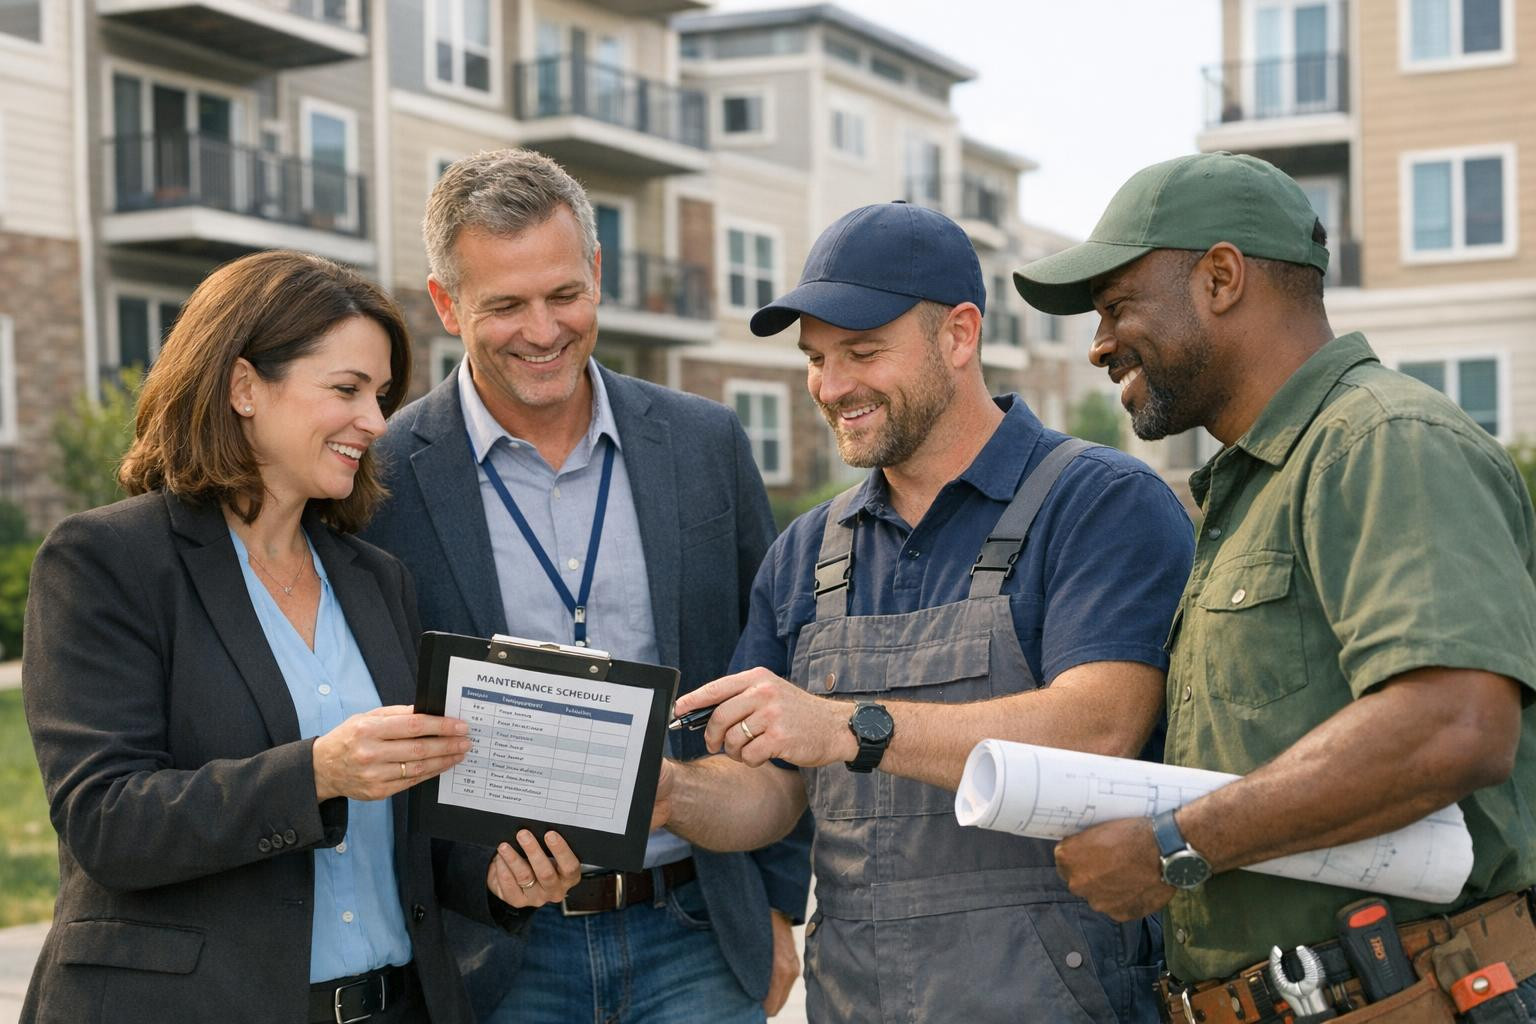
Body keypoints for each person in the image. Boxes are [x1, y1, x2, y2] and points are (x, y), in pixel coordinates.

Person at [1013, 152, 1536, 1023]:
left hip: (1411, 994)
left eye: (1116, 306)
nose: (1100, 344)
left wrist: (1174, 846)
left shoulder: (1383, 441)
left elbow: (1456, 723)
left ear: (1221, 277)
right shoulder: (1249, 488)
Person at [655, 201, 1195, 1023]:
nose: (832, 388)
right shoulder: (806, 553)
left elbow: (1098, 730)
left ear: (960, 335)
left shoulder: (1101, 504)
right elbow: (772, 796)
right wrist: (663, 796)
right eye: (817, 359)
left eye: (864, 352)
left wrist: (850, 726)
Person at [20, 250, 583, 1024]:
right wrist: (316, 772)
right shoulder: (107, 561)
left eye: (381, 395)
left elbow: (410, 824)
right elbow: (107, 821)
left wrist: (496, 878)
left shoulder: (376, 577)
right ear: (244, 386)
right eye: (347, 389)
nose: (375, 422)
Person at [360, 148, 812, 1024]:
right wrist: (474, 883)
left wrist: (778, 900)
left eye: (564, 294)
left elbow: (779, 674)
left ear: (597, 275)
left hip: (695, 926)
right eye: (505, 305)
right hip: (500, 952)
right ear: (448, 305)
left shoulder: (704, 444)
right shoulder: (381, 478)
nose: (542, 329)